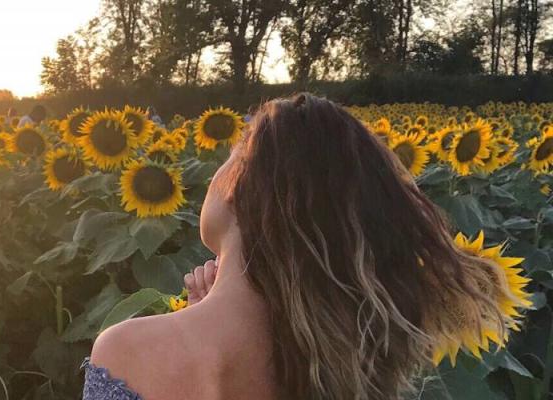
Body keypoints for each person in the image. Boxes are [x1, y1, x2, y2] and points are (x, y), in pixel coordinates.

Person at [83, 94, 509, 399]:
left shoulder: (127, 351)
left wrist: (195, 323)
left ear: (239, 184)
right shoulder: (350, 376)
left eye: (229, 158)